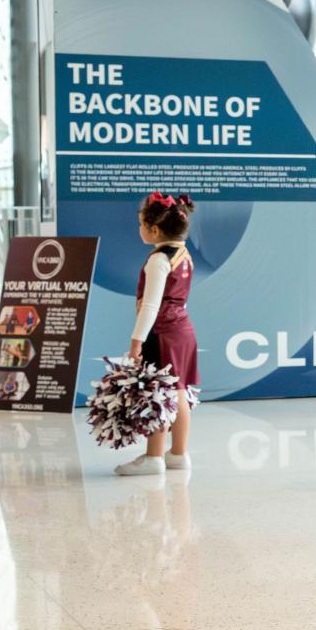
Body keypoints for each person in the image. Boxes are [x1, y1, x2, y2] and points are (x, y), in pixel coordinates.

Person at [114, 192, 202, 477]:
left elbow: (151, 305)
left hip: (162, 333)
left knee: (160, 394)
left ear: (154, 229)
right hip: (183, 330)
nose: (138, 230)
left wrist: (136, 341)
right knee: (178, 393)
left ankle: (154, 457)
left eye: (141, 224)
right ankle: (178, 454)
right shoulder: (184, 254)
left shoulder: (158, 259)